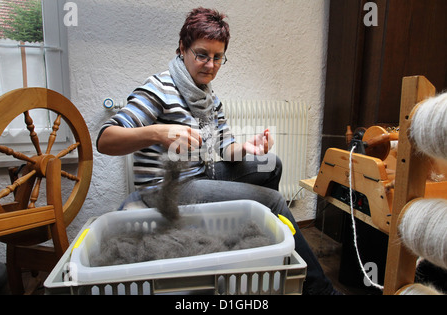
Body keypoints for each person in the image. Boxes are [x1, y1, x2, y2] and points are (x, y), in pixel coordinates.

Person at [97, 7, 339, 295]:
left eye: (217, 57)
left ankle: (259, 245)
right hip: (166, 189)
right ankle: (319, 290)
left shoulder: (209, 97)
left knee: (270, 164)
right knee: (273, 201)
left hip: (199, 177)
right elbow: (105, 139)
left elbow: (225, 148)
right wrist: (158, 132)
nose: (210, 65)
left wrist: (248, 148)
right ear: (182, 49)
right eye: (202, 54)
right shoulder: (159, 88)